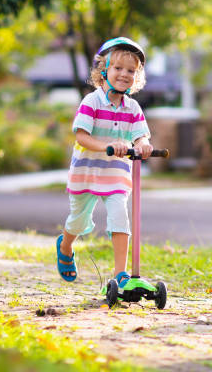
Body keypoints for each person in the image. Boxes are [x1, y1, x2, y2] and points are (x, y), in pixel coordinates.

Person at [56, 37, 153, 289]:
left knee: (120, 217)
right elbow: (81, 136)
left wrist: (142, 144)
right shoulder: (92, 102)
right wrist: (108, 147)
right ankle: (65, 245)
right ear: (104, 71)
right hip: (86, 173)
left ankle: (121, 274)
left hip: (116, 175)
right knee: (78, 221)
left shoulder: (133, 108)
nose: (124, 74)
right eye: (118, 68)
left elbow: (140, 133)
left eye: (131, 71)